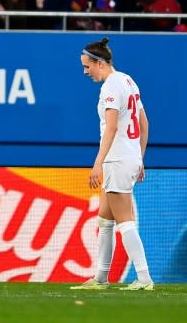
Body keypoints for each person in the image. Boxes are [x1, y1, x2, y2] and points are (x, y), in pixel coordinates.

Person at [72, 37, 154, 291]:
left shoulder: (110, 86)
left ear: (99, 63)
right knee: (105, 221)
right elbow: (144, 124)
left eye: (87, 67)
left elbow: (111, 128)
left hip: (116, 159)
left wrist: (97, 164)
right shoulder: (129, 80)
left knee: (125, 222)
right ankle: (101, 278)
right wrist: (139, 158)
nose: (85, 72)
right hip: (127, 157)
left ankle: (143, 278)